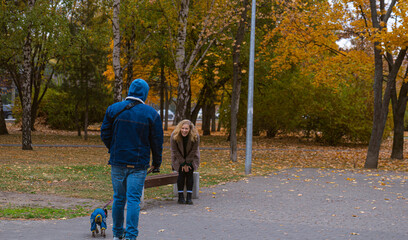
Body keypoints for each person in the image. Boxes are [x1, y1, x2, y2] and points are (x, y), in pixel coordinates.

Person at [101, 78, 163, 240]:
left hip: (117, 161)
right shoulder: (151, 114)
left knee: (118, 198)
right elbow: (157, 142)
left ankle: (117, 234)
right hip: (139, 164)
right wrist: (157, 162)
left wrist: (113, 149)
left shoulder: (113, 109)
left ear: (130, 91)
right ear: (145, 93)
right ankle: (131, 236)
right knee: (133, 200)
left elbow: (104, 134)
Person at [170, 119, 200, 205]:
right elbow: (174, 150)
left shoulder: (195, 136)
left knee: (189, 172)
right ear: (180, 128)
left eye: (186, 128)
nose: (184, 130)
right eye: (182, 128)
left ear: (190, 129)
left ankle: (189, 197)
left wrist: (188, 163)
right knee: (181, 172)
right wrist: (183, 163)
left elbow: (194, 150)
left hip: (192, 158)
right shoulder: (174, 135)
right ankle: (180, 196)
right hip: (178, 158)